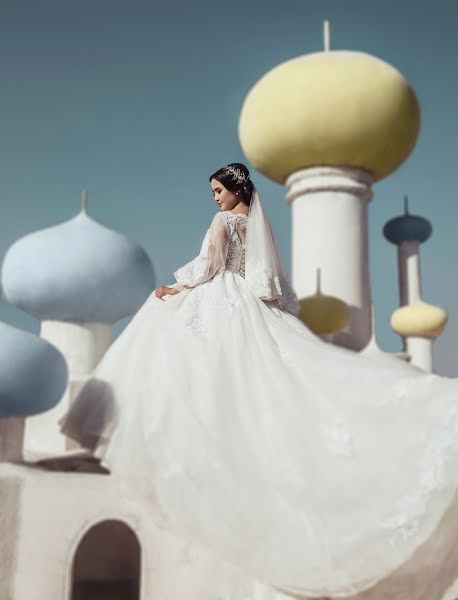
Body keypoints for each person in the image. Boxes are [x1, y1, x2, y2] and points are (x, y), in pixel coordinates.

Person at [58, 163, 458, 600]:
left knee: (168, 332)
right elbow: (266, 276)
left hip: (220, 297)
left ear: (234, 188)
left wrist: (174, 288)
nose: (214, 198)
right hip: (249, 301)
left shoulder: (224, 221)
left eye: (218, 190)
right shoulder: (255, 222)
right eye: (212, 192)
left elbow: (210, 265)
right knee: (268, 373)